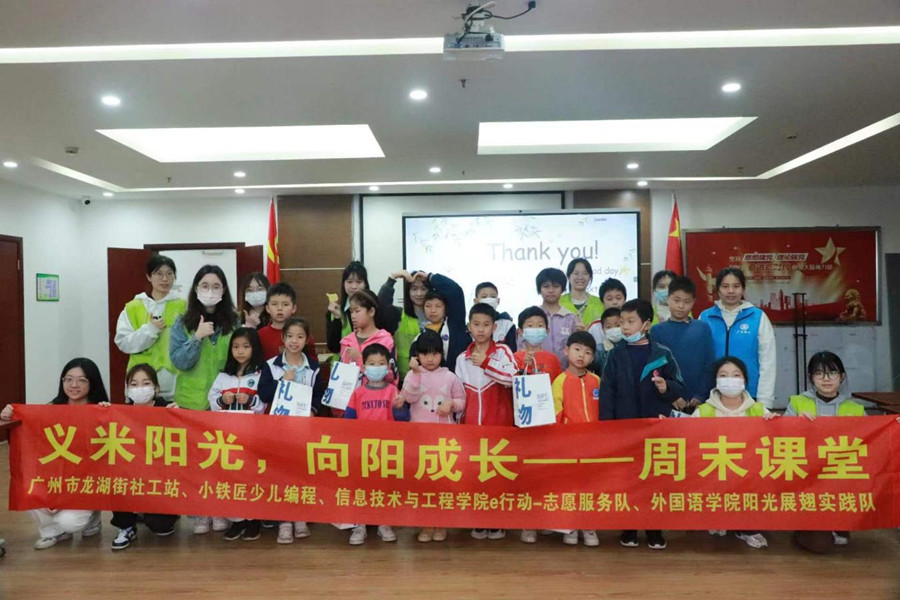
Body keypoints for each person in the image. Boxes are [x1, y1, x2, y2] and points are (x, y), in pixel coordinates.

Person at [598, 298, 685, 551]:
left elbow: (680, 386)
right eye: (622, 322)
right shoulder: (616, 354)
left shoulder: (662, 354)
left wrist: (667, 387)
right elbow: (607, 393)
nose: (624, 327)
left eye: (630, 321)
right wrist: (607, 428)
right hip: (625, 428)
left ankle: (654, 528)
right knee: (628, 478)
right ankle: (629, 527)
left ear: (646, 324)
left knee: (654, 478)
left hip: (655, 428)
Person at [1, 358, 109, 550]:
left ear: (92, 382)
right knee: (30, 491)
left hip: (84, 483)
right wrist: (11, 413)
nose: (74, 385)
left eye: (82, 380)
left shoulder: (100, 409)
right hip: (55, 478)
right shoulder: (51, 408)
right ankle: (51, 531)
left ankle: (92, 517)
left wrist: (109, 413)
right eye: (68, 379)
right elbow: (29, 433)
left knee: (70, 522)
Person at [169, 265, 237, 535]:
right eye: (205, 285)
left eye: (216, 286)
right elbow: (179, 361)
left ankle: (219, 508)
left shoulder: (233, 322)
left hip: (223, 401)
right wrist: (197, 337)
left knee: (221, 459)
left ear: (224, 290)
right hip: (191, 401)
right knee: (194, 461)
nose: (210, 291)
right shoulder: (181, 322)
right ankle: (199, 512)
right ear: (196, 288)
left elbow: (240, 358)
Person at [694, 356, 778, 549]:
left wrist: (776, 423)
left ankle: (746, 527)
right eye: (723, 375)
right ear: (716, 380)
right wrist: (663, 426)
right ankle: (719, 517)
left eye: (735, 375)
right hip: (715, 473)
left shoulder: (758, 410)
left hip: (750, 476)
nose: (729, 380)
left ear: (745, 380)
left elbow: (778, 440)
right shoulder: (703, 411)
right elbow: (685, 442)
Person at [786, 351, 866, 551]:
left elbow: (872, 442)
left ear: (842, 376)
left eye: (832, 373)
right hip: (807, 479)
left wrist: (893, 425)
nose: (826, 379)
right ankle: (803, 527)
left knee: (839, 536)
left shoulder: (856, 409)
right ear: (811, 377)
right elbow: (782, 438)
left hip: (842, 480)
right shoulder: (797, 403)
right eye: (819, 373)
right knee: (820, 545)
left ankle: (838, 525)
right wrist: (795, 424)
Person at [258, 317, 324, 544]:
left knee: (301, 473)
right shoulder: (271, 365)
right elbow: (264, 393)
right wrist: (281, 381)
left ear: (306, 340)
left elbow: (319, 394)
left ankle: (300, 517)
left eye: (300, 336)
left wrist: (313, 410)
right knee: (280, 474)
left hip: (304, 429)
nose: (294, 341)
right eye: (290, 336)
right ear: (283, 338)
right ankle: (284, 521)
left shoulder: (314, 367)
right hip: (278, 430)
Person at [455, 303, 517, 541]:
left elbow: (513, 378)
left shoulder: (503, 351)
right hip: (471, 428)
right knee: (475, 473)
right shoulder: (462, 358)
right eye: (476, 324)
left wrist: (486, 363)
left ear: (494, 327)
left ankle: (497, 521)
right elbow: (459, 393)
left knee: (498, 473)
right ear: (469, 326)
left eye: (486, 325)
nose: (481, 329)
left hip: (499, 424)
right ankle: (479, 519)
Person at [399, 329, 465, 543]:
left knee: (442, 483)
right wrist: (415, 373)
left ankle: (441, 524)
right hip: (419, 440)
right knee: (423, 484)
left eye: (434, 353)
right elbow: (408, 397)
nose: (430, 358)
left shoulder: (450, 376)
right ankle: (426, 525)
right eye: (425, 354)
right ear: (417, 355)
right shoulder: (412, 375)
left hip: (445, 441)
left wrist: (452, 404)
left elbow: (462, 400)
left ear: (441, 354)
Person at [110, 364, 179, 550]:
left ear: (156, 387)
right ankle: (126, 526)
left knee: (160, 526)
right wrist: (102, 412)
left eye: (146, 383)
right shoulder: (119, 412)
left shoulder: (167, 409)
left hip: (160, 478)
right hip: (131, 474)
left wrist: (179, 416)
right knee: (116, 478)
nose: (140, 388)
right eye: (134, 384)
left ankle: (166, 513)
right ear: (127, 389)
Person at [207, 328, 267, 542]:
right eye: (236, 347)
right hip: (228, 437)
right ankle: (237, 520)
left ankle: (253, 520)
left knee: (252, 477)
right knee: (231, 477)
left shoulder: (260, 374)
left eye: (246, 347)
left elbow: (264, 404)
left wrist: (250, 401)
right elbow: (212, 400)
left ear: (254, 349)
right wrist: (223, 400)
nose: (240, 351)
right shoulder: (223, 377)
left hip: (252, 436)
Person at [344, 344, 406, 545]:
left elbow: (403, 420)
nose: (376, 367)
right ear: (363, 366)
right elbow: (348, 419)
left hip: (387, 450)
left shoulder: (392, 390)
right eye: (372, 363)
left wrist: (399, 408)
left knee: (384, 486)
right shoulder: (358, 392)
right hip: (363, 450)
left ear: (387, 367)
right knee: (362, 486)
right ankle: (360, 524)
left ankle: (383, 523)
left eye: (381, 363)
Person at [549, 331, 601, 547]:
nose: (582, 355)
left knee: (590, 486)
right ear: (566, 351)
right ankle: (569, 526)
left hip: (594, 444)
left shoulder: (597, 381)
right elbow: (555, 413)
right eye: (577, 349)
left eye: (588, 352)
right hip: (569, 444)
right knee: (570, 485)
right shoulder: (559, 381)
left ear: (593, 357)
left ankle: (588, 526)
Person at [699, 267, 776, 408]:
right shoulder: (705, 317)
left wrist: (765, 400)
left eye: (736, 286)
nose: (731, 291)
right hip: (712, 396)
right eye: (725, 286)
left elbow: (768, 361)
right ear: (718, 289)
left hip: (749, 395)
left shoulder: (757, 317)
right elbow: (699, 359)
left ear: (743, 288)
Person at [114, 254, 186, 400]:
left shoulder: (183, 306)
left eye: (169, 274)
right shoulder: (133, 307)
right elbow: (123, 343)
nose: (165, 279)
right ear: (148, 277)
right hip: (139, 382)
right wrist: (150, 330)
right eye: (159, 274)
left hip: (173, 380)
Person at [649, 276, 715, 411]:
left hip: (700, 399)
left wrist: (701, 395)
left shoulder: (703, 328)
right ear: (668, 299)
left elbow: (710, 363)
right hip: (668, 400)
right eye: (676, 300)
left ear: (693, 302)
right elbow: (656, 368)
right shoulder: (656, 331)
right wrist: (671, 395)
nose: (681, 306)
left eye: (687, 301)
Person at [408, 272, 469, 372]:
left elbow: (455, 291)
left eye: (438, 306)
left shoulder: (455, 325)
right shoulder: (418, 339)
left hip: (458, 380)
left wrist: (431, 277)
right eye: (428, 306)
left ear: (446, 308)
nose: (433, 310)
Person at [339, 289, 399, 385]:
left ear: (371, 312)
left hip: (378, 394)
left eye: (357, 311)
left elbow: (391, 376)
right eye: (351, 311)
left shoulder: (385, 340)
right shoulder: (346, 342)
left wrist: (360, 359)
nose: (353, 316)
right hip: (352, 394)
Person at [524, 268, 578, 368]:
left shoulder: (570, 318)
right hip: (535, 371)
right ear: (539, 289)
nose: (551, 290)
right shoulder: (530, 316)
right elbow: (521, 346)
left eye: (556, 286)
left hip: (564, 372)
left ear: (562, 289)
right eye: (546, 286)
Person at [327, 261, 370, 353]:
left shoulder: (372, 309)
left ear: (365, 284)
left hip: (368, 360)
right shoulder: (334, 310)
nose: (354, 286)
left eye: (359, 282)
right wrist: (337, 318)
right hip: (343, 361)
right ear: (344, 284)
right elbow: (333, 347)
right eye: (349, 282)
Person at [513, 306, 562, 383]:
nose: (535, 329)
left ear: (547, 331)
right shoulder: (514, 359)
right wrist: (524, 366)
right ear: (520, 332)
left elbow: (558, 384)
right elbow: (512, 384)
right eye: (530, 326)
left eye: (540, 325)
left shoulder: (553, 359)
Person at [560, 258, 605, 328]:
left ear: (590, 277)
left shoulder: (599, 303)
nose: (580, 277)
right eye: (576, 273)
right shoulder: (559, 302)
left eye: (585, 273)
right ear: (568, 276)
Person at [473, 281, 517, 351]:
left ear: (498, 301)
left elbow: (512, 352)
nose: (489, 300)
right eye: (484, 297)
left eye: (493, 297)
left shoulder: (508, 325)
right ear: (476, 301)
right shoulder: (471, 326)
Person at [587, 308, 622, 376]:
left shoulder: (630, 346)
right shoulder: (599, 350)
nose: (613, 329)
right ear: (603, 330)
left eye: (618, 325)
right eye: (608, 327)